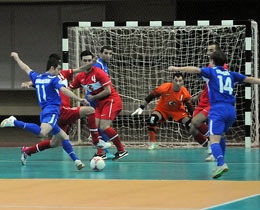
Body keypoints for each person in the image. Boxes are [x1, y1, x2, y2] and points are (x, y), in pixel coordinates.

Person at [1, 52, 111, 168]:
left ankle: (76, 161)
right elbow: (64, 90)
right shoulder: (54, 79)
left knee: (59, 140)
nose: (59, 71)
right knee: (43, 132)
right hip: (55, 111)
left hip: (50, 112)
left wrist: (17, 57)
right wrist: (79, 99)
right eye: (58, 68)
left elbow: (26, 68)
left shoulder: (38, 77)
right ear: (52, 67)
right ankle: (14, 122)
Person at [168, 50, 260, 178]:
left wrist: (177, 68)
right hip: (231, 111)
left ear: (212, 62)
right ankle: (220, 163)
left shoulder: (211, 71)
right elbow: (248, 79)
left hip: (218, 110)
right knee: (221, 136)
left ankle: (221, 163)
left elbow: (195, 70)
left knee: (214, 140)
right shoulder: (230, 74)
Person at [68, 50, 128, 161]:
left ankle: (121, 150)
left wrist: (93, 97)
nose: (87, 62)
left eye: (89, 60)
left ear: (92, 61)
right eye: (85, 60)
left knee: (104, 127)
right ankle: (101, 153)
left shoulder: (99, 72)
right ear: (81, 62)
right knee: (93, 126)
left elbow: (108, 91)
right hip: (100, 103)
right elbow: (68, 89)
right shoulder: (80, 76)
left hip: (111, 100)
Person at [131, 73, 195, 150]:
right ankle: (152, 142)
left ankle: (205, 142)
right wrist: (141, 107)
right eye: (176, 80)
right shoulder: (164, 87)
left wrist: (195, 117)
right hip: (163, 109)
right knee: (152, 119)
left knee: (191, 124)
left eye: (180, 81)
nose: (178, 83)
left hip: (177, 111)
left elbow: (190, 107)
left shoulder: (185, 92)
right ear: (172, 80)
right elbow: (150, 97)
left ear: (183, 82)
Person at [83, 47, 114, 159]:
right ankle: (102, 150)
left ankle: (102, 150)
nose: (108, 55)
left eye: (110, 53)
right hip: (95, 98)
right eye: (106, 53)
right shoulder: (98, 65)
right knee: (102, 125)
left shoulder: (103, 65)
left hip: (98, 97)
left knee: (102, 125)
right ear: (100, 54)